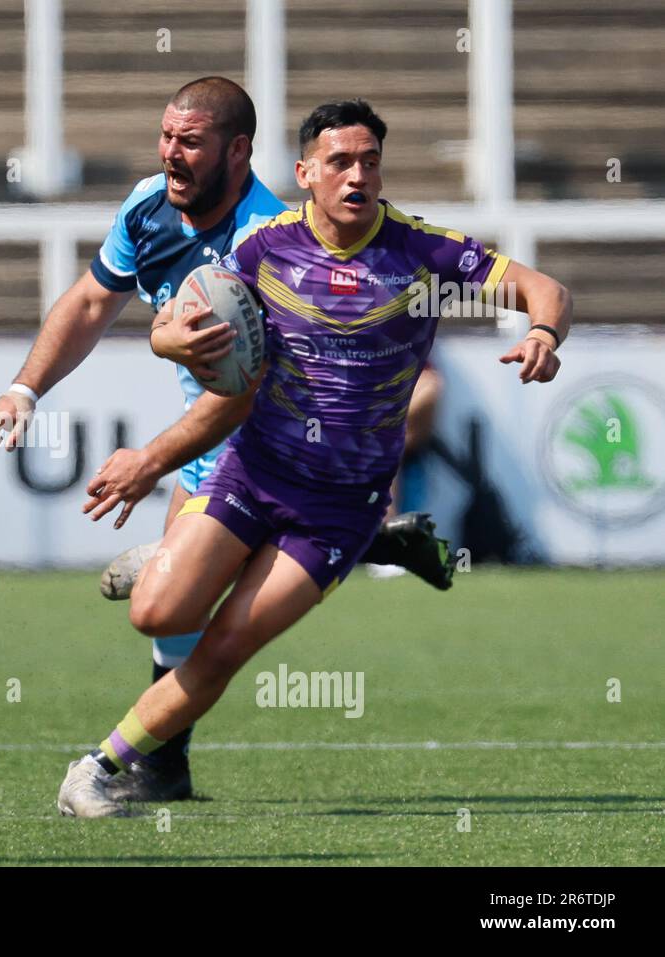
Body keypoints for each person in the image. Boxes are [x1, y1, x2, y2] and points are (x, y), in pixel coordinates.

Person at [56, 98, 570, 817]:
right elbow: (177, 317)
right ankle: (195, 557)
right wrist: (169, 340)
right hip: (254, 472)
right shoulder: (265, 247)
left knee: (227, 644)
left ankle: (96, 770)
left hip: (337, 508)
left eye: (370, 161)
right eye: (340, 162)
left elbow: (546, 288)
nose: (358, 175)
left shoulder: (424, 252)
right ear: (306, 173)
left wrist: (544, 331)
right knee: (155, 612)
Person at [0, 79, 450, 804]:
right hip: (208, 441)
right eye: (166, 136)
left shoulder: (276, 243)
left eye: (188, 142)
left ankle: (149, 763)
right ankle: (367, 543)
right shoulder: (147, 208)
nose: (170, 153)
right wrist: (25, 389)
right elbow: (93, 301)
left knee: (189, 616)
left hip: (262, 449)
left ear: (236, 151)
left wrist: (150, 460)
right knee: (168, 613)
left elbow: (245, 396)